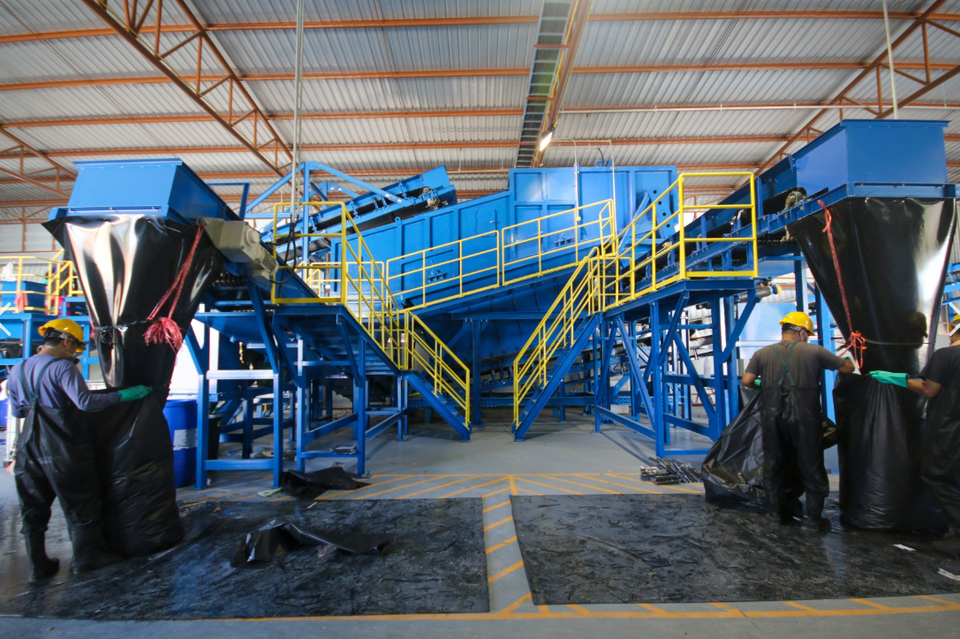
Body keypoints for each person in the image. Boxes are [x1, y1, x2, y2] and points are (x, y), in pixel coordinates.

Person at [7, 319, 152, 581]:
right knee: (81, 502)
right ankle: (87, 558)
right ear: (66, 341)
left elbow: (18, 411)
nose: (75, 353)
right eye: (75, 347)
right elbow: (84, 402)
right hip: (62, 448)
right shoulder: (62, 367)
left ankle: (38, 566)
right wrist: (124, 395)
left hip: (28, 449)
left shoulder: (17, 369)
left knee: (33, 507)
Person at [740, 311, 856, 531]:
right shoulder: (815, 351)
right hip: (805, 417)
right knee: (811, 464)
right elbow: (847, 368)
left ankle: (775, 515)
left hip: (772, 417)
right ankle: (814, 520)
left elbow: (747, 381)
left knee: (774, 463)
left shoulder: (762, 354)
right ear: (802, 332)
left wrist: (762, 386)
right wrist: (847, 355)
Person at [871, 318, 960, 558]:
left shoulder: (946, 355)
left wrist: (898, 379)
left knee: (938, 477)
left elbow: (930, 389)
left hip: (949, 428)